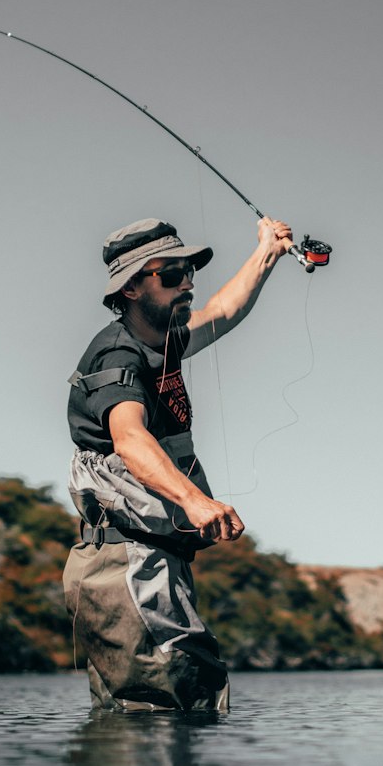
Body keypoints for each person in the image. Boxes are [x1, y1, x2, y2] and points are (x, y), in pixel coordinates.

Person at [64, 214, 294, 712]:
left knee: (152, 724)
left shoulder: (163, 342)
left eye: (189, 271)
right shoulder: (117, 357)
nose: (186, 284)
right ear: (129, 288)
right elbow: (129, 439)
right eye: (170, 276)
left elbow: (223, 310)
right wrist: (194, 501)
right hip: (127, 564)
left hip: (150, 563)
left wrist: (266, 253)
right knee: (180, 704)